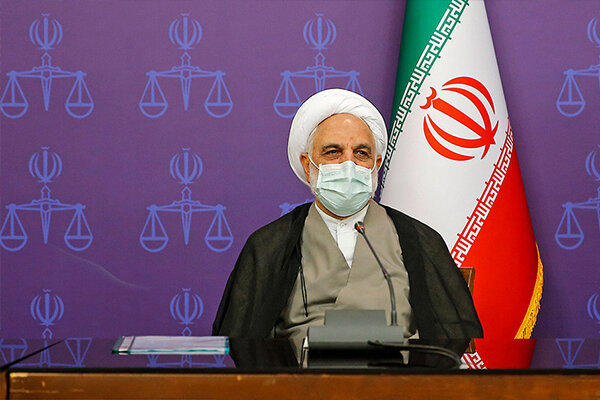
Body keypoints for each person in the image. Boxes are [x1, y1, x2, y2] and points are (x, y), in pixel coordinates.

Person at [212, 89, 482, 343]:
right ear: (308, 165)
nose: (348, 164)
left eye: (361, 153)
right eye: (333, 152)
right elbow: (243, 341)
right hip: (301, 376)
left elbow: (451, 334)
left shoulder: (417, 239)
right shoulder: (271, 244)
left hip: (398, 374)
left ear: (375, 165)